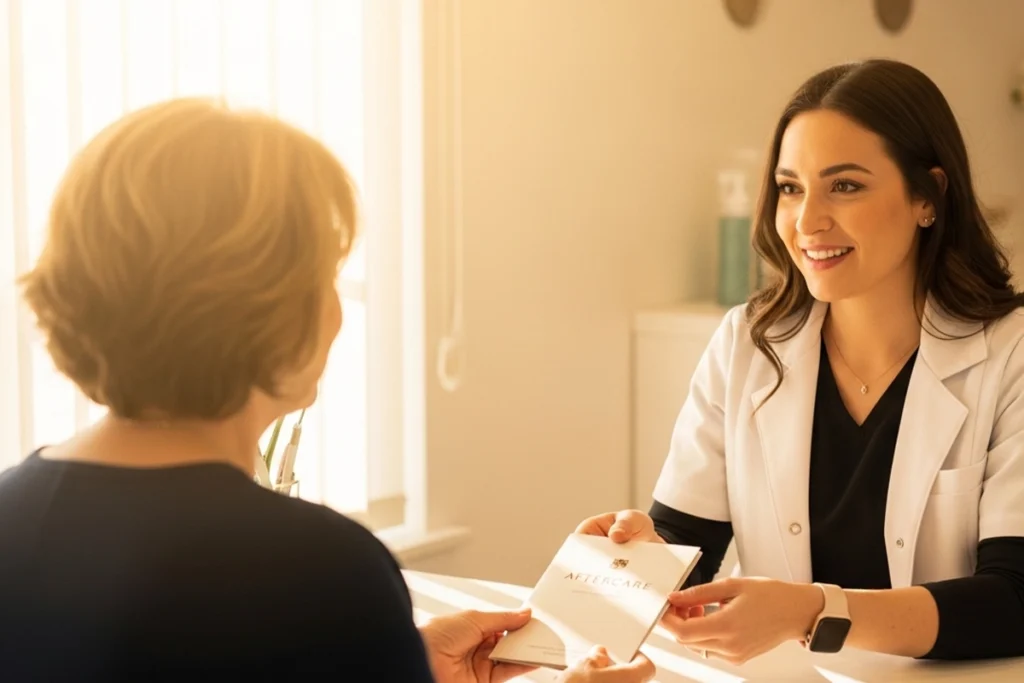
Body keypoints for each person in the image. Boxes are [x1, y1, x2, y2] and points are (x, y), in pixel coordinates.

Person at [0, 98, 655, 682]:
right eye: (326, 276)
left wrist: (393, 657)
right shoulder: (317, 575)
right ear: (266, 306)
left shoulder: (12, 515)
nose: (338, 311)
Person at [577, 58, 1024, 665]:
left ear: (928, 196)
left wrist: (816, 611)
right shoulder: (747, 344)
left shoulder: (1010, 354)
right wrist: (640, 554)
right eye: (791, 188)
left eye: (845, 185)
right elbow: (688, 552)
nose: (807, 221)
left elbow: (1014, 601)